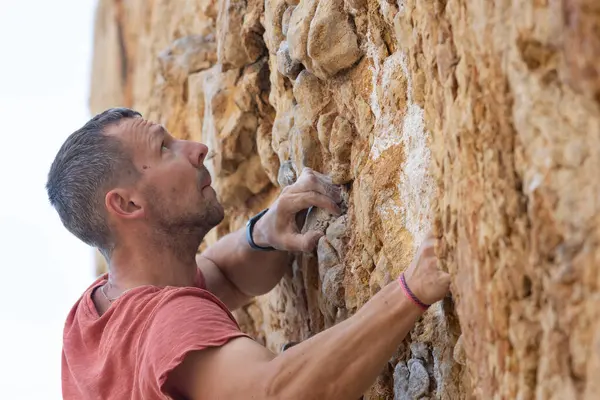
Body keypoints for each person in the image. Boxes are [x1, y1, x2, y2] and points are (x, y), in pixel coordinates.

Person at [47, 107, 451, 400]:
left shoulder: (90, 322)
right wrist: (409, 292)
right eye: (165, 148)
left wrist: (262, 233)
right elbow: (277, 392)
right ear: (128, 205)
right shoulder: (166, 326)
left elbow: (221, 273)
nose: (197, 148)